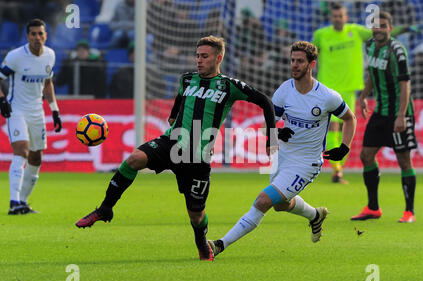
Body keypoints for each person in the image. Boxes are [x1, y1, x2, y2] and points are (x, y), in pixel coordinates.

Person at [75, 36, 278, 262]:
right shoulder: (187, 79)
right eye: (197, 56)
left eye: (204, 56)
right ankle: (105, 209)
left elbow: (265, 101)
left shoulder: (229, 86)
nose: (199, 60)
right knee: (134, 159)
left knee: (196, 214)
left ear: (218, 58)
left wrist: (271, 135)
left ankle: (202, 244)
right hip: (172, 143)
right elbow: (178, 104)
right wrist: (174, 116)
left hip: (197, 156)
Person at [207, 41, 357, 258]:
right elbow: (269, 124)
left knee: (263, 201)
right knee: (280, 205)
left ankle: (220, 244)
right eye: (292, 60)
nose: (294, 65)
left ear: (311, 64)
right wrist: (275, 132)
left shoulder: (327, 96)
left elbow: (349, 119)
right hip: (283, 157)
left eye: (300, 61)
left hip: (306, 163)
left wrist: (345, 146)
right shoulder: (284, 91)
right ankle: (315, 215)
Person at [312, 2, 418, 184]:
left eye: (341, 16)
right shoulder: (321, 35)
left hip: (350, 88)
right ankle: (337, 169)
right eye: (335, 16)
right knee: (331, 127)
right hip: (327, 88)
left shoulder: (356, 31)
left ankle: (338, 167)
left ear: (346, 17)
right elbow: (310, 55)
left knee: (346, 128)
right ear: (331, 18)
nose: (338, 19)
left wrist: (408, 28)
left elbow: (380, 32)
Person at [350, 11, 417, 223]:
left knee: (404, 160)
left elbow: (405, 85)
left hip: (398, 112)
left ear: (390, 28)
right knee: (366, 155)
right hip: (380, 112)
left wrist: (401, 117)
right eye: (375, 26)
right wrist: (364, 95)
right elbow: (372, 72)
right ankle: (373, 208)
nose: (378, 29)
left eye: (383, 25)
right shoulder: (369, 45)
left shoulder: (397, 50)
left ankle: (409, 212)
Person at [0, 18, 62, 215]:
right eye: (33, 34)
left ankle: (23, 203)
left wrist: (54, 110)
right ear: (27, 36)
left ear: (45, 36)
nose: (37, 37)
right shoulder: (16, 56)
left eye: (40, 34)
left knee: (36, 158)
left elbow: (47, 83)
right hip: (17, 109)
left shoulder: (50, 56)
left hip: (37, 111)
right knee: (21, 150)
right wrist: (2, 100)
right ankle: (13, 202)